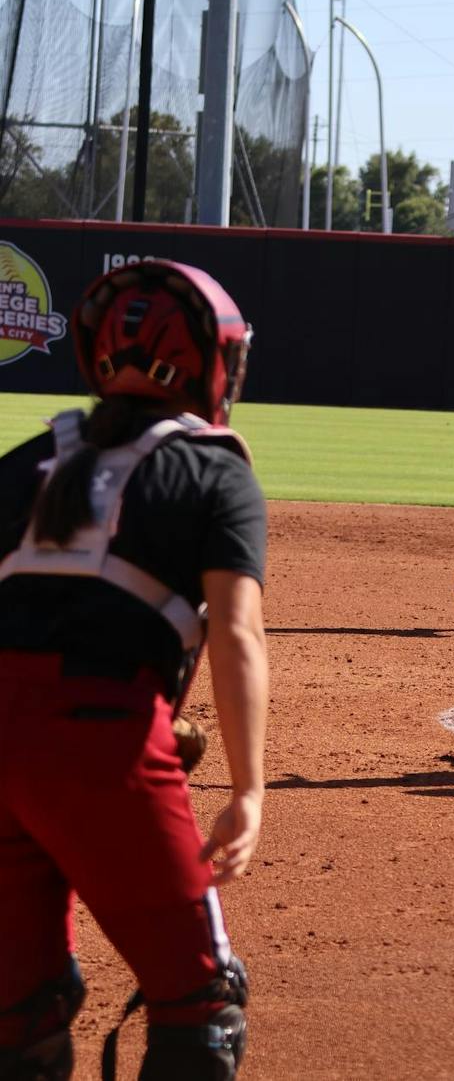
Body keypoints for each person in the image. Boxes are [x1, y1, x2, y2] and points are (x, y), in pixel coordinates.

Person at [0, 261, 268, 1080]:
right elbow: (236, 632)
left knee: (19, 1008)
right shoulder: (216, 467)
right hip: (105, 742)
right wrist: (249, 789)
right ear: (210, 361)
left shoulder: (25, 458)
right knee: (202, 1008)